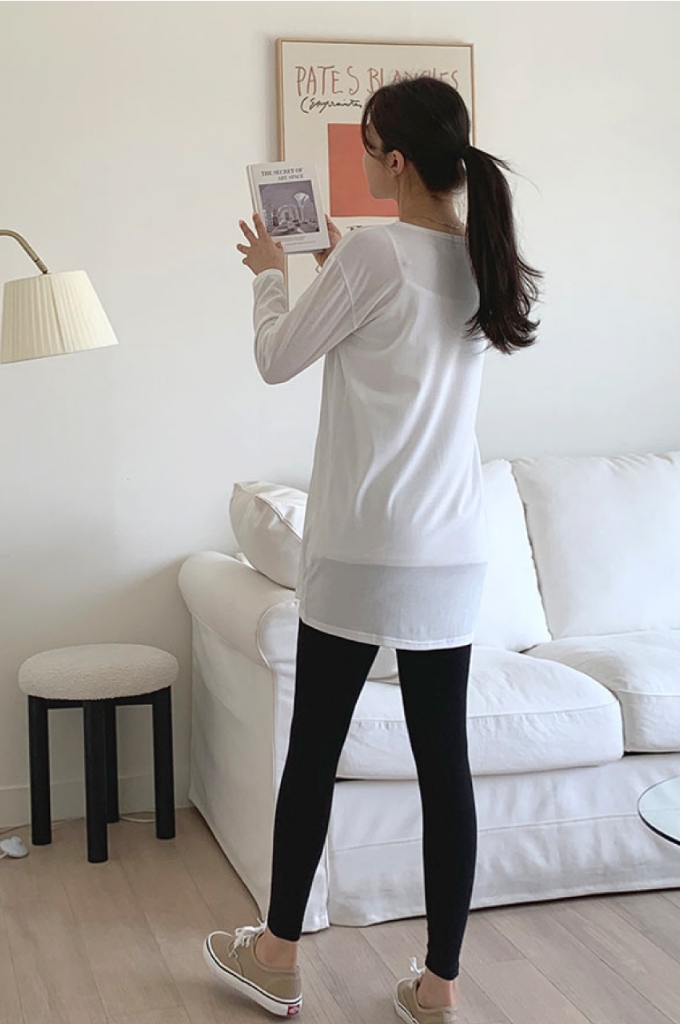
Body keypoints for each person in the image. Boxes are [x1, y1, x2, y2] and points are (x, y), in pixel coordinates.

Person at [202, 75, 542, 1023]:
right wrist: (332, 262)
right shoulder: (478, 257)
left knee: (313, 750)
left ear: (395, 160)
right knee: (445, 767)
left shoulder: (376, 256)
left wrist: (270, 271)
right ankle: (439, 985)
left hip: (364, 550)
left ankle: (277, 956)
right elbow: (398, 332)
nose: (360, 161)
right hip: (451, 552)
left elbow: (277, 358)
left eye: (365, 147)